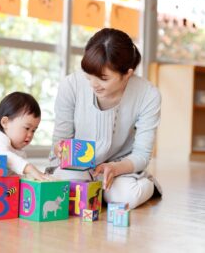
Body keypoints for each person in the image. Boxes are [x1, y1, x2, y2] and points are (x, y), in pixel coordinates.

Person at [48, 28, 162, 209]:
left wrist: (116, 168)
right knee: (65, 189)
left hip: (118, 168)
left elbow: (141, 154)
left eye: (103, 78)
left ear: (127, 74)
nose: (93, 84)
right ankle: (97, 193)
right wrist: (61, 150)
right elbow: (60, 141)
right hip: (76, 168)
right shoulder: (71, 85)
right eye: (88, 75)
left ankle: (146, 184)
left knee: (126, 198)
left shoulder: (148, 95)